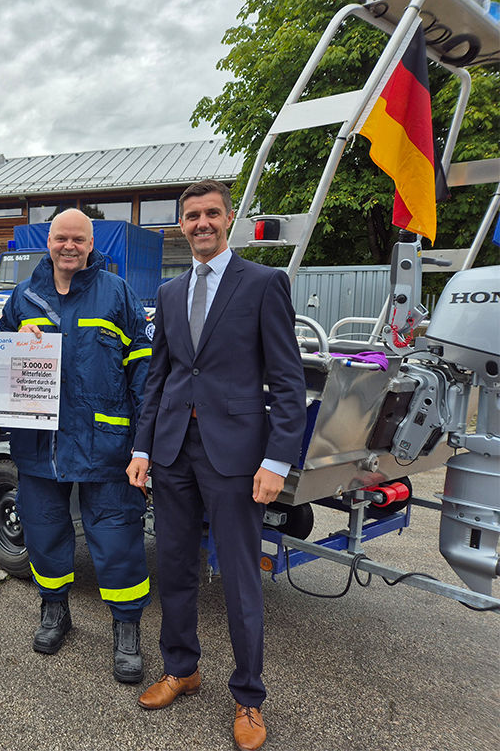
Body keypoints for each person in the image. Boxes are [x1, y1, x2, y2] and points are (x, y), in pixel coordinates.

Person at [126, 180, 306, 751]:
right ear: (180, 225)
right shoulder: (170, 291)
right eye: (190, 216)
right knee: (175, 565)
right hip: (175, 449)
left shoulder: (263, 284)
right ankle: (182, 667)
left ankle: (248, 699)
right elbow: (161, 377)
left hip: (236, 456)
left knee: (239, 578)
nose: (201, 223)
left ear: (229, 219)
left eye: (210, 214)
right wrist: (141, 448)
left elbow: (287, 380)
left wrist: (277, 458)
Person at [0, 208, 152, 683]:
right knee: (44, 533)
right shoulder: (23, 297)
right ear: (48, 242)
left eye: (78, 239)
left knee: (117, 540)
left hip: (106, 447)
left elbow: (143, 375)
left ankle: (126, 630)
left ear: (91, 244)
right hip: (38, 446)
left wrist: (144, 447)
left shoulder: (118, 294)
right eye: (61, 238)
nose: (69, 246)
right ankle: (54, 611)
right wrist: (12, 341)